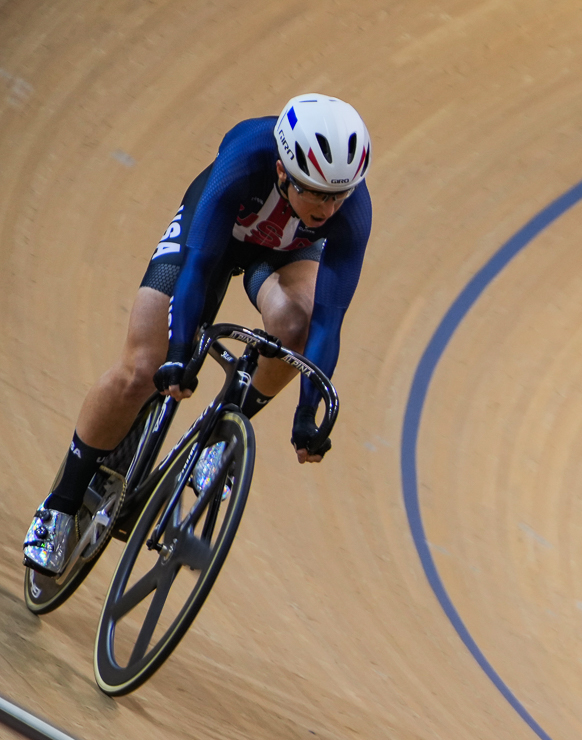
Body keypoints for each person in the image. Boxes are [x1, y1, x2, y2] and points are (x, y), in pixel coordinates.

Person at [23, 94, 372, 575]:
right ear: (282, 171)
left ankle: (221, 435)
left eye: (340, 194)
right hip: (213, 236)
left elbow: (330, 323)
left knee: (298, 324)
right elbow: (199, 266)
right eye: (315, 191)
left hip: (280, 253)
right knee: (141, 369)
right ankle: (58, 507)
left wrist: (306, 415)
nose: (328, 207)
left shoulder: (351, 211)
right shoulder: (244, 161)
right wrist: (180, 352)